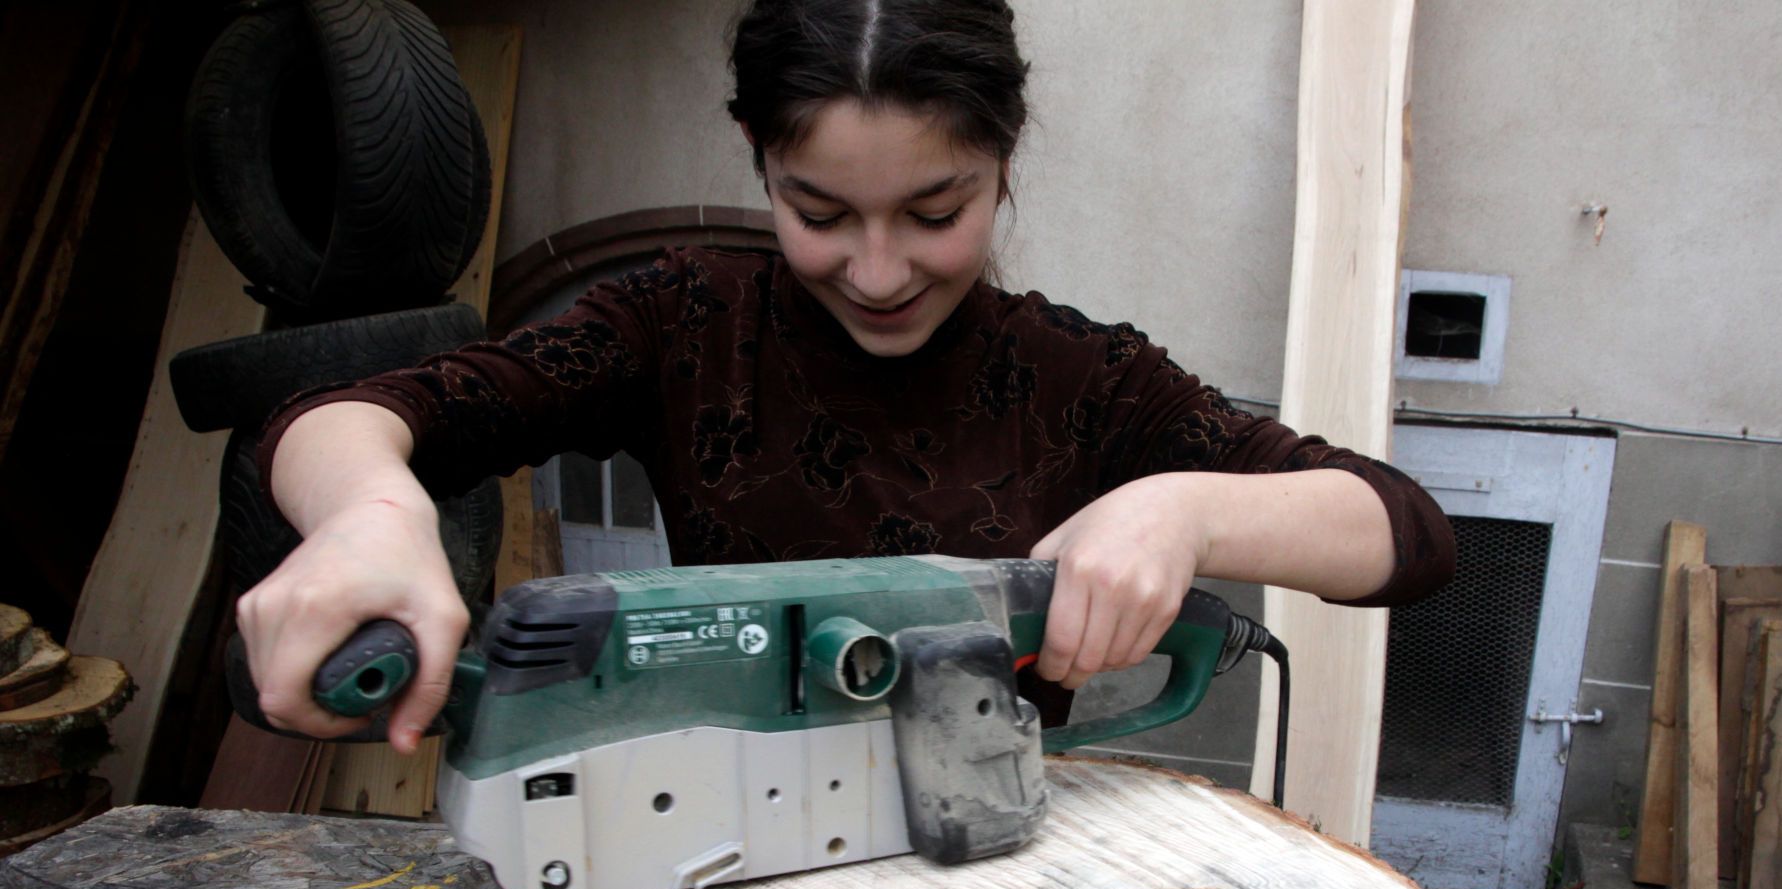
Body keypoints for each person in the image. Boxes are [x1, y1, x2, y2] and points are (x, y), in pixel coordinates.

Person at [239, 0, 1454, 755]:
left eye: (934, 211)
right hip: (711, 852)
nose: (876, 272)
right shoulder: (679, 322)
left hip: (991, 878)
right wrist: (371, 518)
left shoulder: (1085, 378)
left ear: (1001, 162)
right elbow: (344, 416)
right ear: (760, 164)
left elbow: (1403, 534)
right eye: (818, 212)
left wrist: (1186, 510)